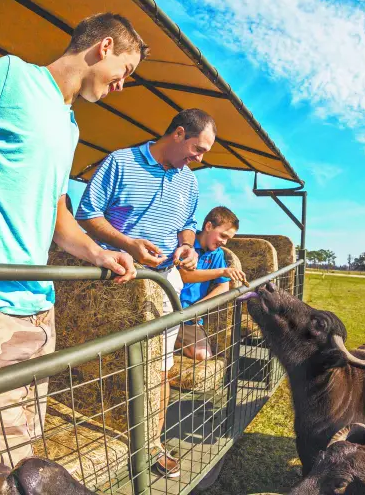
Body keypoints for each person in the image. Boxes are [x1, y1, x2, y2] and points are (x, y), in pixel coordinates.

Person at [0, 13, 145, 494]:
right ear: (103, 46)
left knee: (26, 456)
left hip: (39, 310)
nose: (124, 84)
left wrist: (99, 253)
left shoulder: (70, 124)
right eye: (127, 69)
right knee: (5, 466)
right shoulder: (11, 75)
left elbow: (58, 218)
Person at [76, 108, 216, 478]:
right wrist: (127, 243)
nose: (199, 158)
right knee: (106, 366)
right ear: (178, 133)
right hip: (117, 283)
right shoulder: (119, 162)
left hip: (165, 281)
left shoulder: (190, 182)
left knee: (160, 366)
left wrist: (188, 247)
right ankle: (102, 443)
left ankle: (151, 444)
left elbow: (187, 226)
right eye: (198, 149)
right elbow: (87, 214)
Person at [176, 206, 246, 361]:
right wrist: (222, 271)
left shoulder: (217, 254)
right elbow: (184, 275)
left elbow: (224, 286)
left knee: (203, 355)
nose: (225, 242)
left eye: (228, 238)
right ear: (208, 226)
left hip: (189, 318)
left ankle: (173, 343)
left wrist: (198, 307)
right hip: (168, 312)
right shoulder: (185, 244)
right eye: (223, 235)